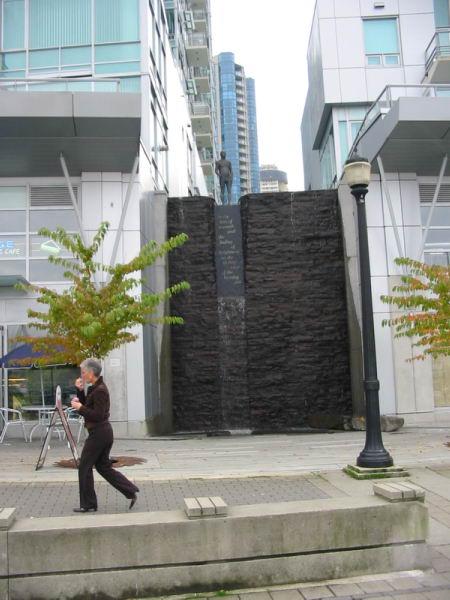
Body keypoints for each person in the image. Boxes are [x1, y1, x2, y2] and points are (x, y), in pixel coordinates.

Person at [70, 358, 139, 513]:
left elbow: (98, 415)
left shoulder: (100, 390)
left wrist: (80, 407)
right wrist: (80, 392)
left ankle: (88, 504)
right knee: (102, 467)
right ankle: (130, 491)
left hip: (99, 433)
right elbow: (88, 407)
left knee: (84, 467)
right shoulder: (94, 388)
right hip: (102, 433)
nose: (82, 375)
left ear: (91, 372)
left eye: (83, 372)